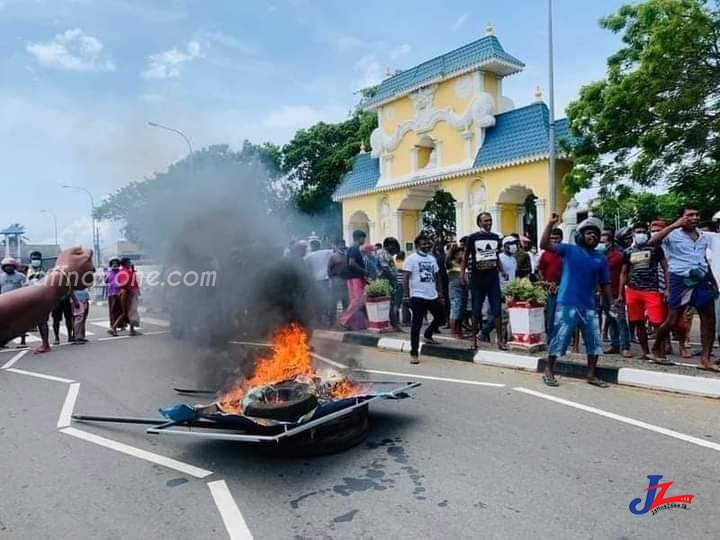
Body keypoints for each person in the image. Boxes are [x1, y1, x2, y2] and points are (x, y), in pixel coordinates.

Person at [539, 214, 613, 388]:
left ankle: (591, 374)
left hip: (589, 305)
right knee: (560, 338)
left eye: (595, 235)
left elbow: (605, 283)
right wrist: (550, 223)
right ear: (581, 235)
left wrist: (612, 301)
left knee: (594, 341)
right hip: (567, 302)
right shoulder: (569, 250)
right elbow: (544, 245)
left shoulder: (600, 258)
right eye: (589, 233)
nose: (592, 236)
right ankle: (549, 370)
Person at [649, 207, 719, 370]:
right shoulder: (671, 234)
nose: (694, 218)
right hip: (680, 279)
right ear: (681, 217)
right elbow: (652, 242)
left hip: (701, 278)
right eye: (690, 215)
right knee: (673, 319)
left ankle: (705, 359)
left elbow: (702, 259)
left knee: (709, 319)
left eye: (696, 215)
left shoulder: (702, 236)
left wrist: (713, 281)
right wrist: (674, 225)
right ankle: (656, 348)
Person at [0, 247, 95, 347]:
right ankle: (55, 338)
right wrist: (60, 278)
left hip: (51, 299)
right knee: (54, 320)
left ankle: (46, 342)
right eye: (6, 266)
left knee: (48, 320)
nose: (8, 268)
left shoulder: (26, 275)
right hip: (42, 298)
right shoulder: (25, 273)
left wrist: (59, 279)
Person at [619, 223, 667, 360]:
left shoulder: (656, 249)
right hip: (633, 291)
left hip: (652, 290)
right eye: (638, 231)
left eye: (643, 231)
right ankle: (646, 352)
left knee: (657, 322)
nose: (641, 234)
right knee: (638, 322)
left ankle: (660, 351)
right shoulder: (628, 251)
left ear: (647, 233)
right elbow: (623, 273)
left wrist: (667, 288)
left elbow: (665, 267)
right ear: (633, 234)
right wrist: (620, 293)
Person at [460, 212, 507, 350]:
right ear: (479, 222)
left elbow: (496, 256)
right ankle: (473, 340)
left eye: (490, 220)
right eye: (485, 221)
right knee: (476, 309)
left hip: (492, 277)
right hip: (477, 278)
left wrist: (502, 270)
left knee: (497, 310)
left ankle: (499, 341)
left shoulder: (495, 237)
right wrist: (462, 275)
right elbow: (465, 257)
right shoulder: (473, 238)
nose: (488, 223)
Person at [403, 233, 445, 364]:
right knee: (416, 325)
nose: (427, 246)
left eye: (428, 243)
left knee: (441, 317)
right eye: (423, 244)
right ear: (417, 246)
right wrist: (406, 295)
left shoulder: (432, 259)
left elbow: (437, 277)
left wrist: (441, 294)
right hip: (418, 296)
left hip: (432, 295)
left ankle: (428, 334)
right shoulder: (411, 259)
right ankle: (414, 353)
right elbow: (405, 278)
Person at [601, 229, 631, 357]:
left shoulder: (619, 255)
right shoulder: (600, 255)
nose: (602, 239)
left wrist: (620, 294)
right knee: (610, 318)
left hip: (616, 292)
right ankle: (615, 344)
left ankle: (625, 346)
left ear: (610, 239)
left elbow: (623, 275)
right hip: (603, 292)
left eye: (604, 236)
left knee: (621, 319)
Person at [337, 230, 369, 330]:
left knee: (355, 300)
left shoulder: (352, 248)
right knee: (358, 300)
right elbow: (352, 263)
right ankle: (344, 320)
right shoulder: (355, 249)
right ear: (359, 238)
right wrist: (364, 270)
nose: (364, 240)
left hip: (352, 277)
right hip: (355, 278)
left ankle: (354, 323)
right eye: (364, 238)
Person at [537, 228, 564, 341]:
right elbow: (540, 271)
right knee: (550, 314)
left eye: (556, 238)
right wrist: (545, 285)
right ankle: (551, 338)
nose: (553, 241)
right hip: (550, 288)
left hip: (564, 288)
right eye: (551, 238)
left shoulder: (565, 254)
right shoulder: (545, 254)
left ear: (561, 239)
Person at [108, 257, 141, 336]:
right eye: (129, 262)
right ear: (125, 263)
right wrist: (132, 290)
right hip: (127, 293)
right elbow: (124, 284)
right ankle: (114, 328)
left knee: (130, 312)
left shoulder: (126, 271)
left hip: (128, 293)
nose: (130, 264)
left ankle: (131, 330)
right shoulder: (124, 272)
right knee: (126, 312)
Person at [304, 239, 334, 327]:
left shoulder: (309, 256)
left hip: (316, 281)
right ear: (319, 245)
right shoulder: (327, 252)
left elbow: (307, 269)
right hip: (327, 279)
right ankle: (329, 319)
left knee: (317, 300)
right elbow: (336, 251)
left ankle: (319, 319)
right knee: (328, 299)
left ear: (312, 246)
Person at [27, 251, 52, 353]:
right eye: (33, 258)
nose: (35, 260)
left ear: (41, 259)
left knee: (42, 322)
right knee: (39, 322)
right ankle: (44, 344)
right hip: (32, 299)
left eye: (37, 258)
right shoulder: (29, 270)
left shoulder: (45, 271)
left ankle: (45, 344)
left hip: (42, 299)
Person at [0, 257, 28, 348]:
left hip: (18, 302)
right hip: (4, 303)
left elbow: (26, 288)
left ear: (14, 266)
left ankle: (23, 341)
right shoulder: (1, 277)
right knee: (3, 323)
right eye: (6, 266)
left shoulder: (21, 276)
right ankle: (2, 342)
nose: (8, 268)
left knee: (21, 321)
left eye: (10, 266)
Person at [377, 237, 403, 332]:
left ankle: (394, 324)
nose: (395, 252)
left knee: (392, 304)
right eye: (395, 248)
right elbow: (385, 269)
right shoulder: (382, 253)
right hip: (385, 282)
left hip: (389, 282)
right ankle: (391, 325)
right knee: (389, 304)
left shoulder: (386, 254)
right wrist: (394, 279)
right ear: (389, 245)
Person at [327, 240, 349, 325]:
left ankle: (345, 321)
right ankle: (331, 321)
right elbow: (329, 269)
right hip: (337, 281)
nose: (342, 246)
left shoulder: (347, 255)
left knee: (346, 302)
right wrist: (333, 279)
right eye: (340, 245)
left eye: (343, 244)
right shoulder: (333, 256)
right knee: (334, 302)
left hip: (346, 281)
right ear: (337, 245)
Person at [446, 244, 466, 338]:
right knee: (455, 310)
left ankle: (459, 330)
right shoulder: (451, 264)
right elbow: (447, 260)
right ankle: (453, 331)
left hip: (463, 289)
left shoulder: (463, 264)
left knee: (461, 310)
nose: (462, 255)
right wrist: (451, 250)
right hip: (454, 289)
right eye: (460, 253)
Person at [105, 257, 123, 328]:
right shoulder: (108, 273)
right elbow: (106, 281)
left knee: (120, 310)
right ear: (111, 264)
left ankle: (121, 324)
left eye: (116, 263)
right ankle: (113, 324)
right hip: (111, 294)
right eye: (113, 263)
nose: (114, 264)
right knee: (112, 310)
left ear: (118, 264)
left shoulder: (121, 272)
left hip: (120, 293)